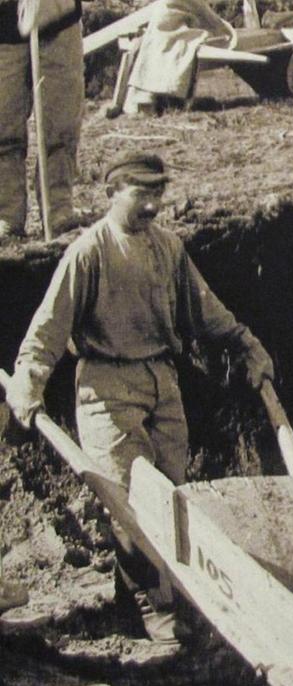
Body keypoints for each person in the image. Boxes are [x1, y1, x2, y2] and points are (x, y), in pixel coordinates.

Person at [5, 152, 274, 643]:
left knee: (170, 497)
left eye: (158, 194)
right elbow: (48, 329)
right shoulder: (89, 252)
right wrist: (29, 381)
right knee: (129, 500)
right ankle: (151, 603)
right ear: (112, 192)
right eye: (141, 194)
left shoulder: (168, 248)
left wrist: (246, 344)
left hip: (161, 382)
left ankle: (148, 598)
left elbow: (207, 310)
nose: (151, 205)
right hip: (106, 389)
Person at [0, 0, 86, 242]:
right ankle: (7, 214)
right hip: (3, 30)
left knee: (61, 126)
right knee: (3, 128)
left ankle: (59, 210)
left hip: (58, 21)